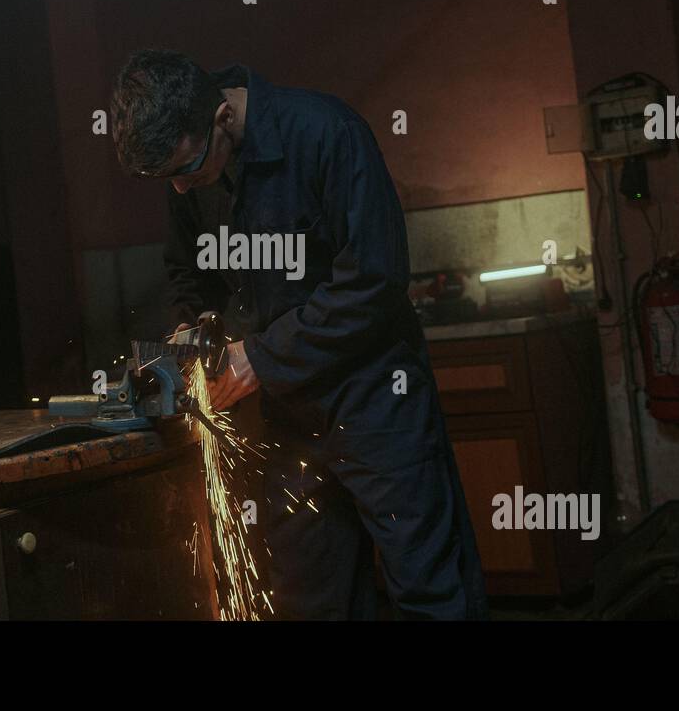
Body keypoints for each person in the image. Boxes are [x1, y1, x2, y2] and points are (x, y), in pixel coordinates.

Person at [110, 49, 487, 620]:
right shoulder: (187, 169)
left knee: (428, 590)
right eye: (169, 179)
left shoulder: (327, 134)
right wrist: (192, 328)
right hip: (285, 425)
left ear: (220, 117)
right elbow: (187, 272)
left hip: (375, 407)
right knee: (312, 601)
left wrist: (259, 358)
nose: (182, 190)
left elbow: (374, 279)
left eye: (187, 171)